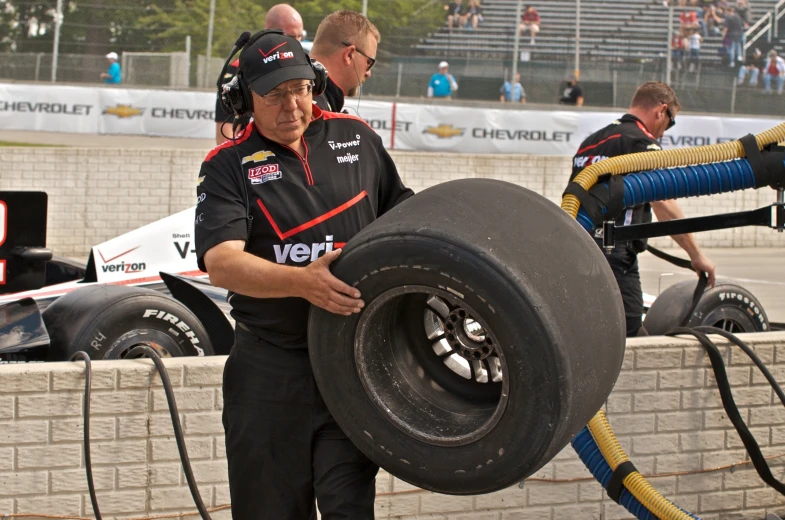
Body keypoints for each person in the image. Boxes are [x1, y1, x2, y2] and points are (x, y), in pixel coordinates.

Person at [195, 31, 413, 519]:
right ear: (244, 101)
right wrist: (301, 282)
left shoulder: (357, 137)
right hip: (269, 373)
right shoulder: (227, 166)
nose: (292, 105)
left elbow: (405, 217)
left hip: (349, 366)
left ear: (315, 83)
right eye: (274, 94)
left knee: (349, 509)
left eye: (300, 88)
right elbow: (221, 263)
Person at [567, 81, 716, 337]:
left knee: (586, 330)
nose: (664, 131)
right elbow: (663, 202)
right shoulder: (641, 143)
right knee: (630, 335)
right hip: (615, 255)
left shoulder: (591, 142)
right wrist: (695, 254)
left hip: (577, 248)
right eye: (670, 122)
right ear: (661, 110)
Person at [214, 3, 305, 144]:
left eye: (301, 37)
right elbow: (224, 135)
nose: (297, 43)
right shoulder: (238, 71)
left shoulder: (304, 67)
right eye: (292, 37)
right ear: (269, 31)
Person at [309, 10, 380, 110]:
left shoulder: (291, 88)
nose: (368, 73)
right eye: (369, 62)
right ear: (349, 55)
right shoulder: (315, 111)